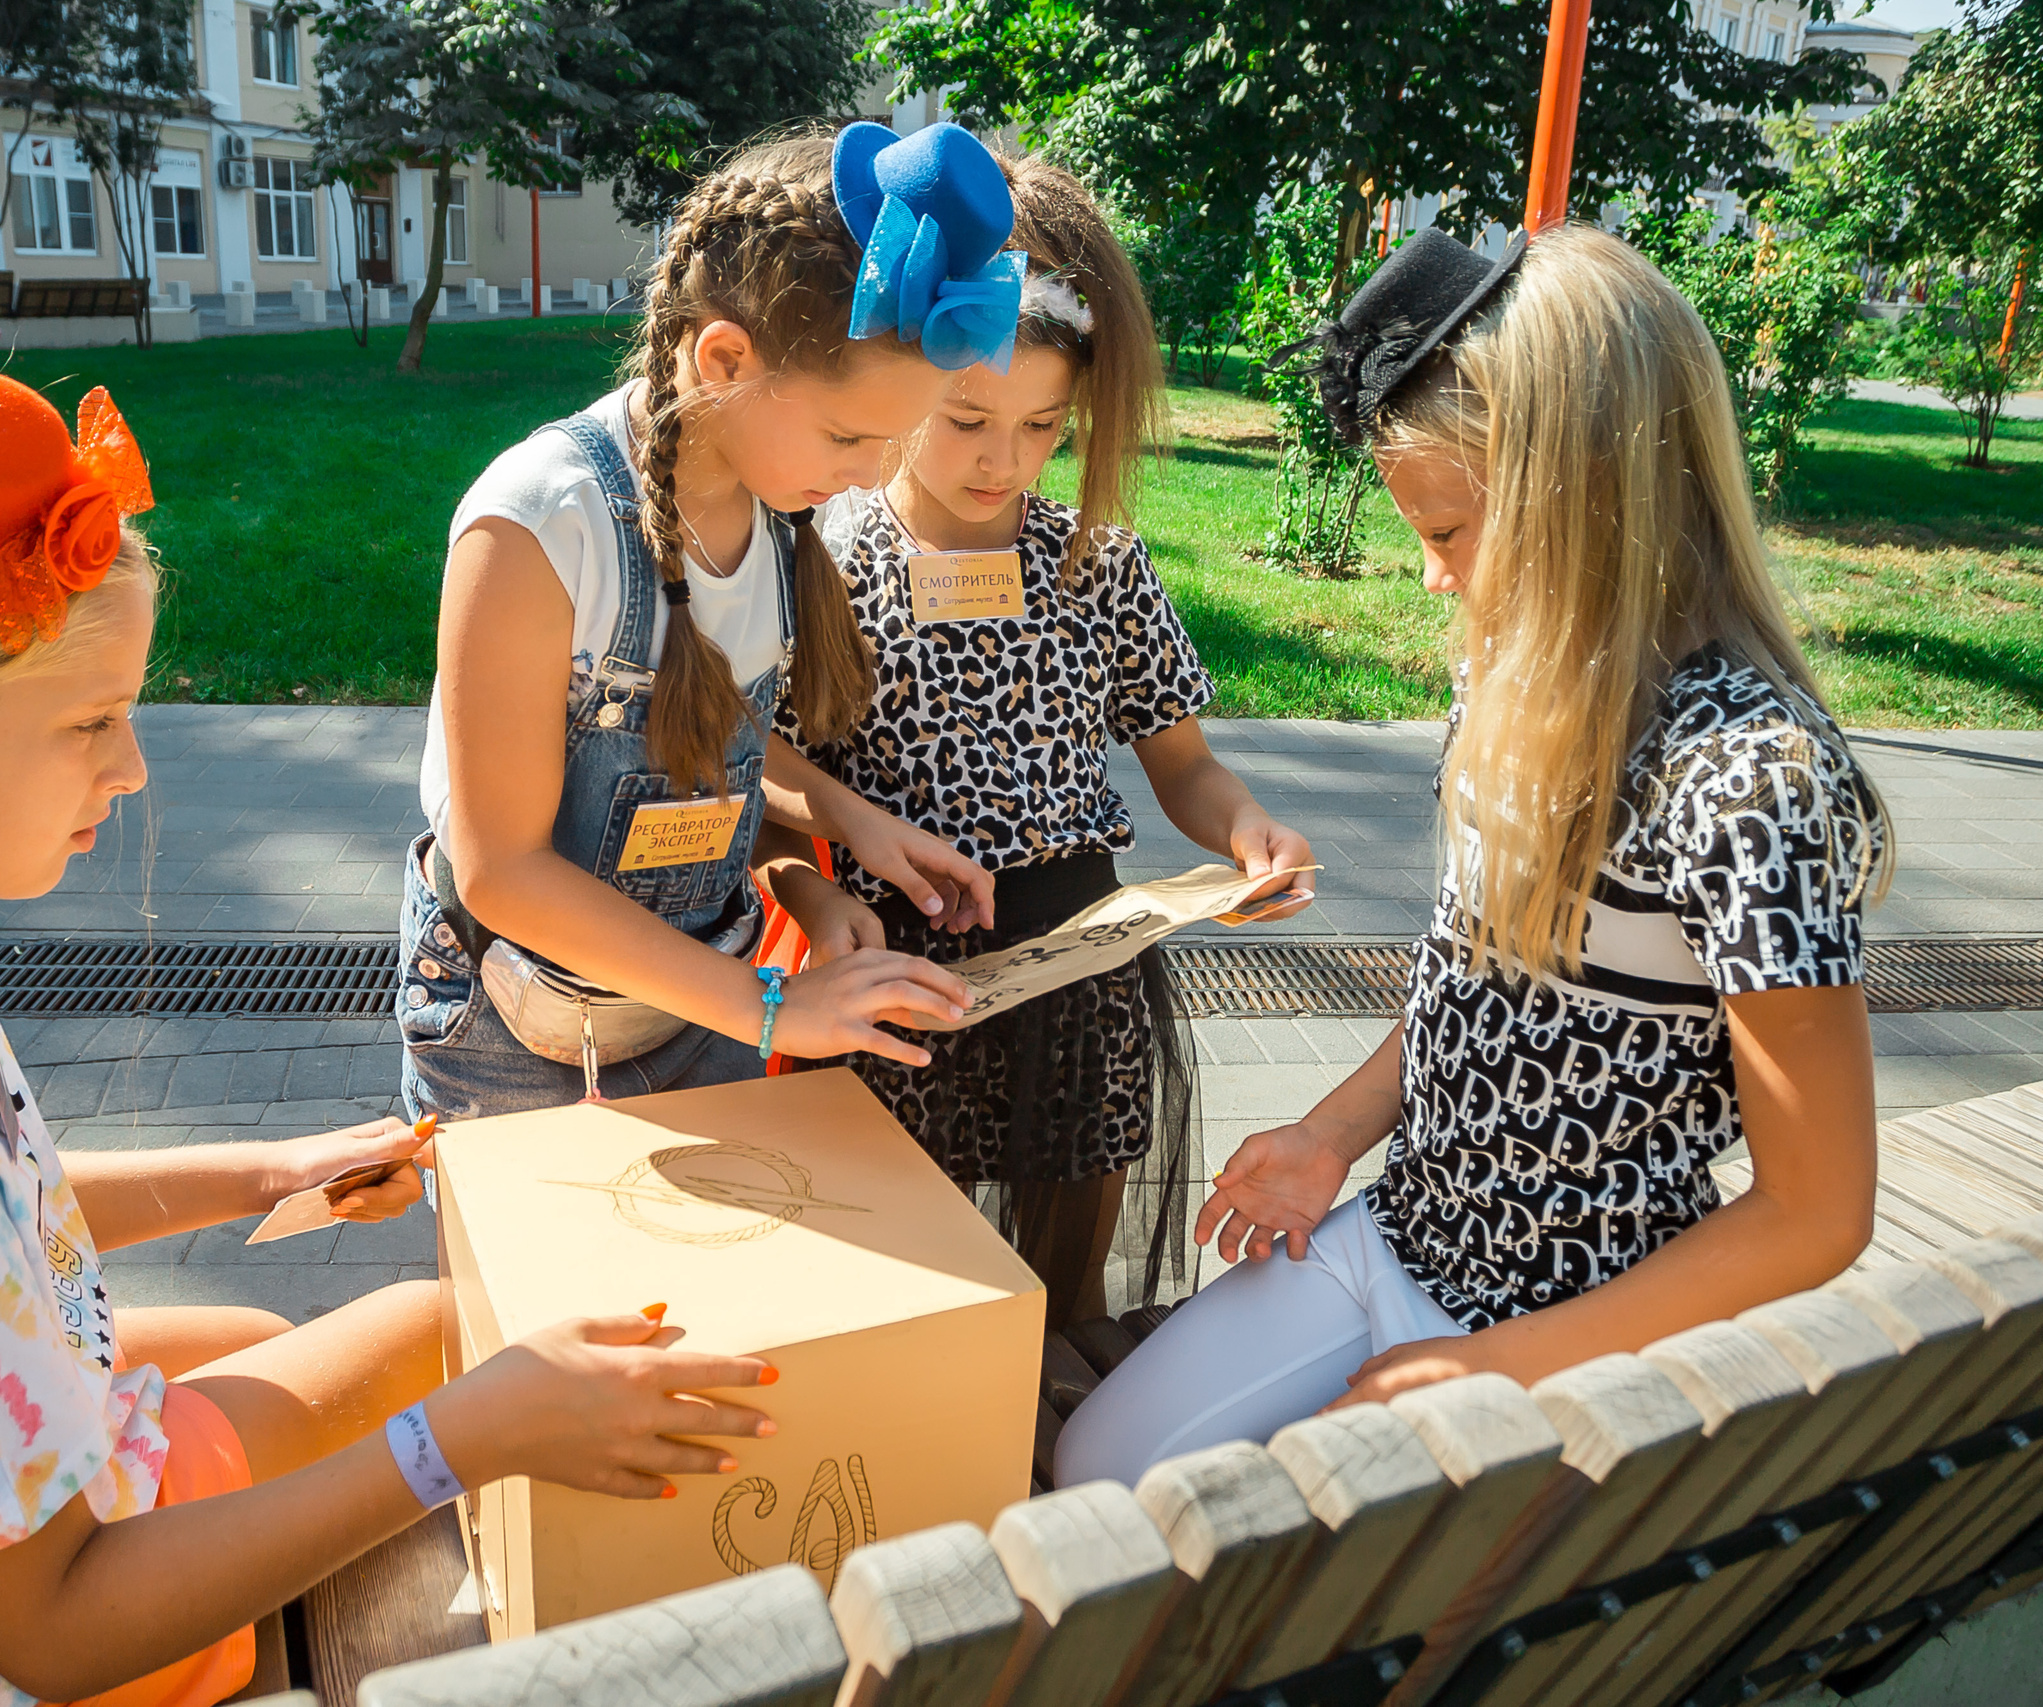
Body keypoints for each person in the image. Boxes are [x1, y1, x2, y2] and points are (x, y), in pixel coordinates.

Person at [0, 370, 774, 1704]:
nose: (135, 766)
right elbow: (55, 1629)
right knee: (427, 1332)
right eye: (90, 722)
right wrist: (461, 1436)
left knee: (253, 1325)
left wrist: (261, 1173)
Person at [1055, 225, 1891, 1487]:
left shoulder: (1747, 784)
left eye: (1446, 531)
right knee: (1101, 1467)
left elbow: (1816, 1212)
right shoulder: (1513, 680)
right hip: (1401, 1234)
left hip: (1589, 1327)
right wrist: (1332, 1133)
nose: (1430, 577)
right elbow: (1477, 981)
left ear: (1588, 500)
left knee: (1302, 1559)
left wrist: (1501, 1366)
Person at [761, 152, 1315, 1327]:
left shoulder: (1094, 562)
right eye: (965, 419)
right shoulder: (823, 560)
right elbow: (758, 777)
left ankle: (1060, 1404)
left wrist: (1247, 831)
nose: (999, 460)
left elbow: (1184, 763)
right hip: (896, 974)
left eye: (1041, 428)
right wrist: (811, 896)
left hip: (1079, 969)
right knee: (901, 1292)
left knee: (1064, 1290)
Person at [402, 121, 1043, 1122]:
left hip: (700, 1019)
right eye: (848, 434)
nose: (868, 475)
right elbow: (504, 872)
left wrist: (841, 831)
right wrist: (771, 1007)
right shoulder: (538, 525)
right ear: (725, 358)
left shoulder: (773, 508)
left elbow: (703, 747)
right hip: (515, 1033)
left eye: (891, 440)